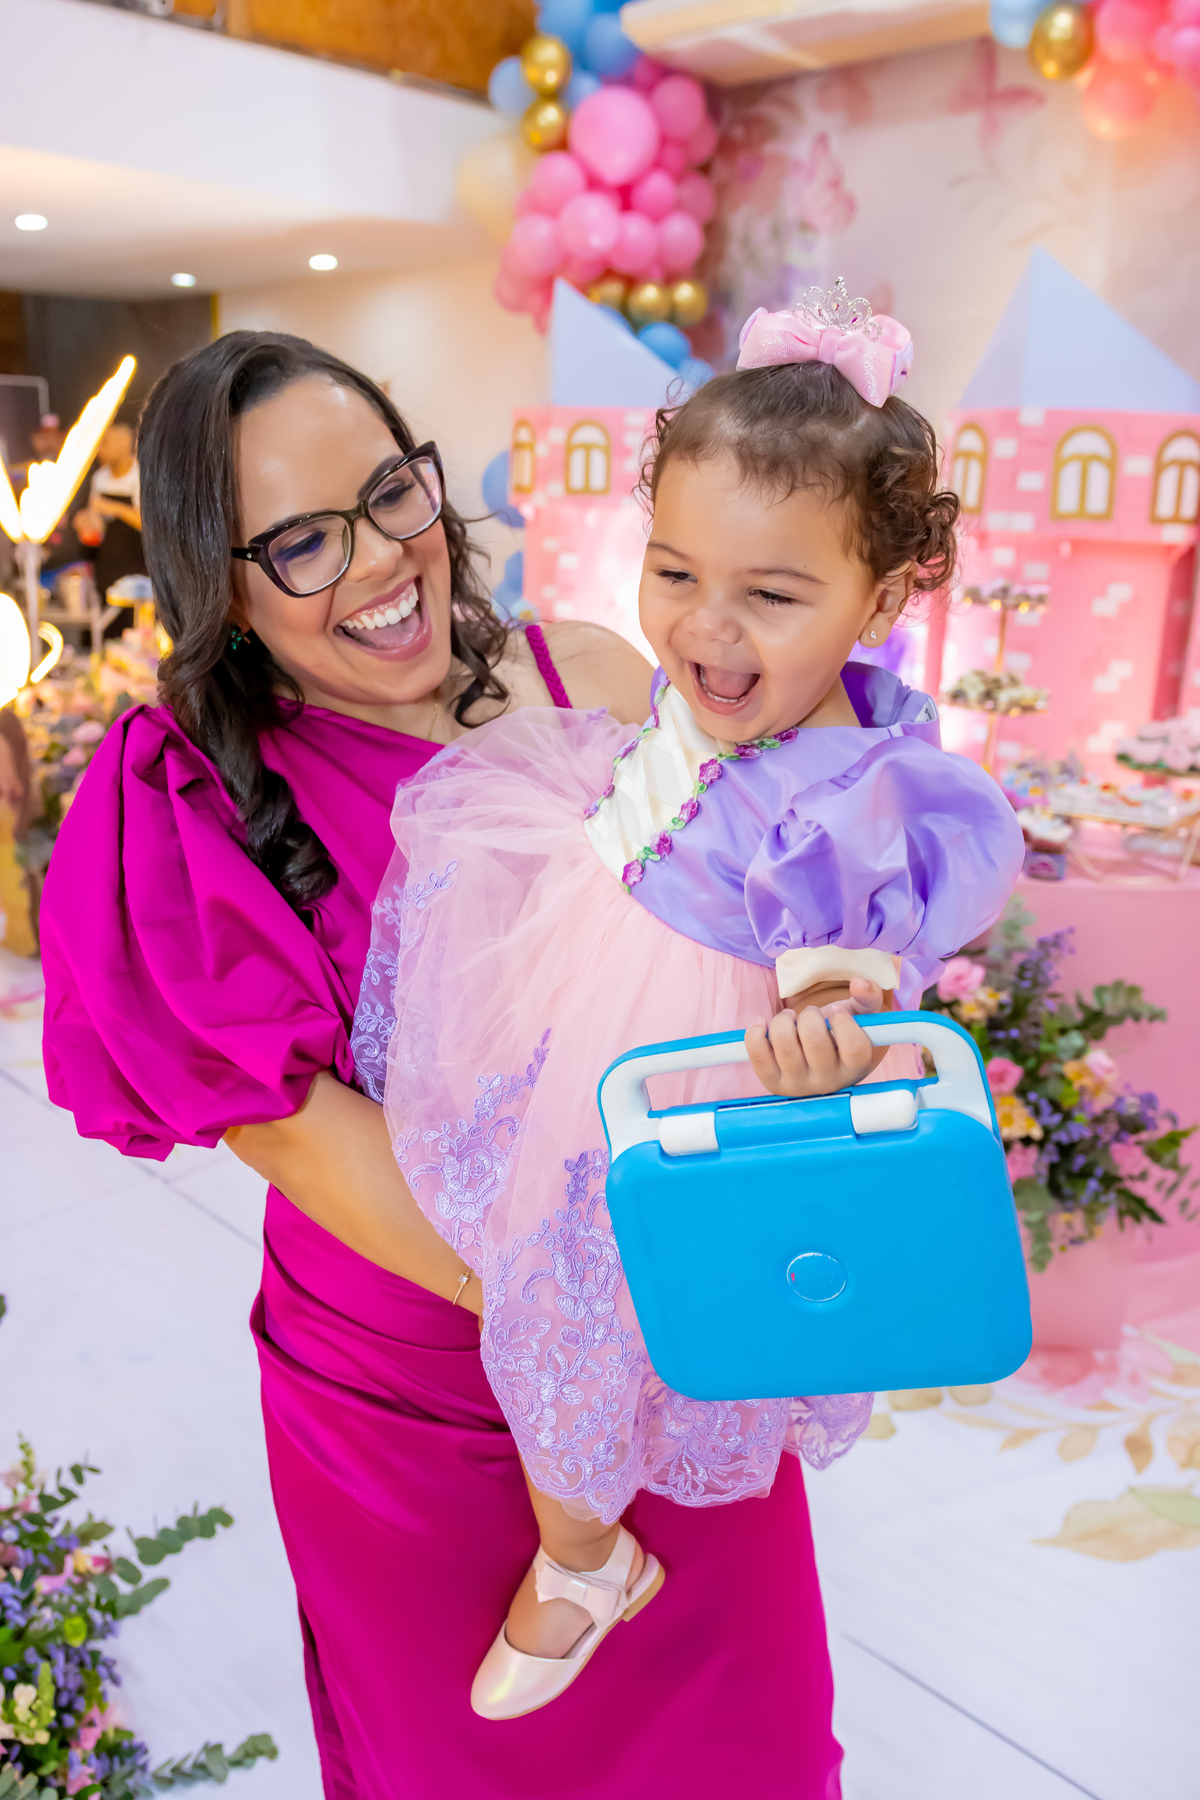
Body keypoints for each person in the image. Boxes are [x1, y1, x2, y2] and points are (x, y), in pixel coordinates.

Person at [40, 330, 856, 1799]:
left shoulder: (591, 671)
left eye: (389, 495)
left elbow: (756, 919)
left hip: (686, 1345)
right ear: (220, 585)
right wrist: (605, 1325)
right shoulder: (185, 797)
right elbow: (307, 1142)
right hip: (429, 1412)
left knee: (756, 1747)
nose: (377, 560)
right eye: (301, 542)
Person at [372, 286, 1027, 1719]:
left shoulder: (849, 806)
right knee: (529, 1242)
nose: (707, 631)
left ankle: (583, 1556)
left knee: (594, 1300)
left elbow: (846, 987)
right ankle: (578, 1518)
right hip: (590, 946)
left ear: (883, 597)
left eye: (773, 598)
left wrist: (823, 1041)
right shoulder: (726, 679)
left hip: (690, 1040)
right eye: (674, 573)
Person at [72, 419, 145, 606]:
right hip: (107, 567)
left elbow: (147, 524)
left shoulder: (140, 476)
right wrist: (85, 521)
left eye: (105, 442)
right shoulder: (100, 477)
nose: (100, 450)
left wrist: (115, 508)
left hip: (138, 570)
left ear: (125, 442)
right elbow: (98, 524)